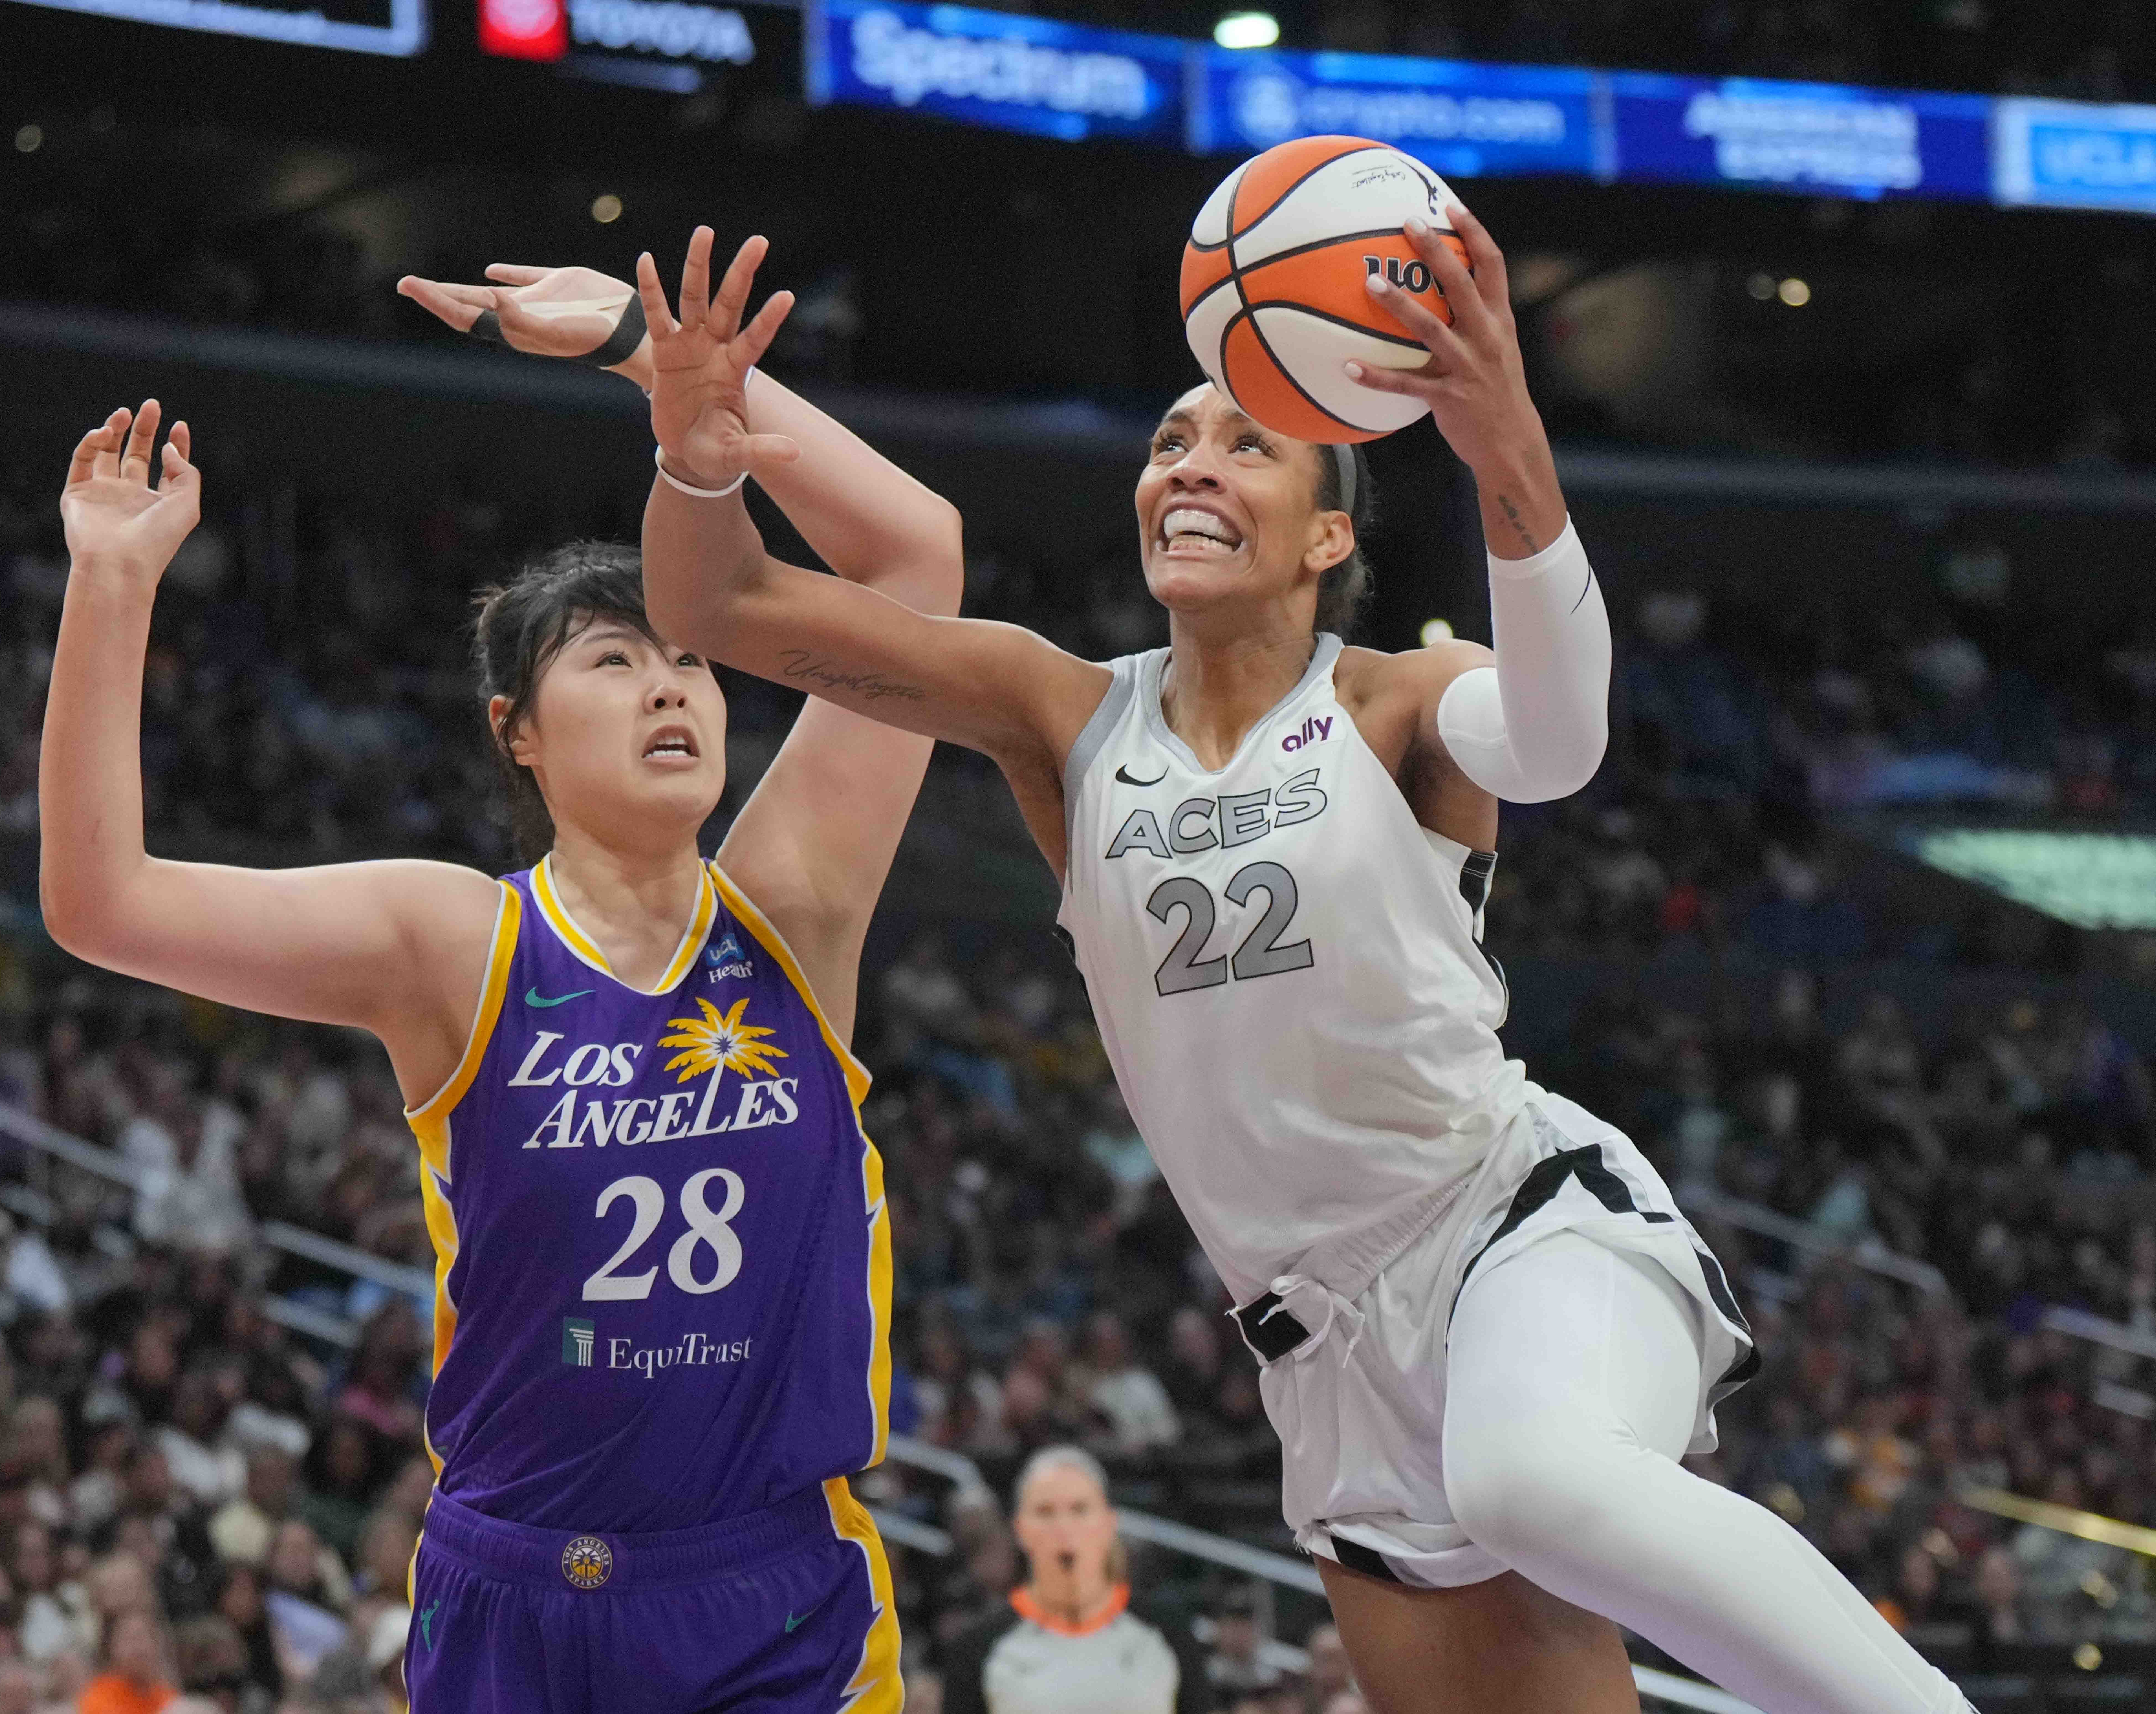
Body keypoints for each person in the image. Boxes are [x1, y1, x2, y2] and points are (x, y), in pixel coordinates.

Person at [632, 212, 1978, 1714]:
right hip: (1321, 1350)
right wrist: (694, 442)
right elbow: (717, 605)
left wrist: (1507, 450)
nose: (1189, 462)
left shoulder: (1403, 698)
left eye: (1245, 444)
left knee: (1531, 1473)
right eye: (1169, 438)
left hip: (1509, 1232)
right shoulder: (1061, 714)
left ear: (1328, 533)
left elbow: (1559, 738)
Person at [42, 231, 963, 1712]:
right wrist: (111, 586)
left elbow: (916, 558)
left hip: (776, 1600)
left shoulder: (796, 900)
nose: (669, 679)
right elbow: (104, 901)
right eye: (612, 660)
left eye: (689, 658)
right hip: (514, 1602)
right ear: (515, 731)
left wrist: (650, 364)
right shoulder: (454, 940)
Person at [936, 1448, 1209, 1714]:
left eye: (1080, 1509)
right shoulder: (975, 1650)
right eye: (1045, 1512)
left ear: (1108, 1523)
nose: (1063, 1528)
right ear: (1020, 1530)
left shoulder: (1169, 1635)